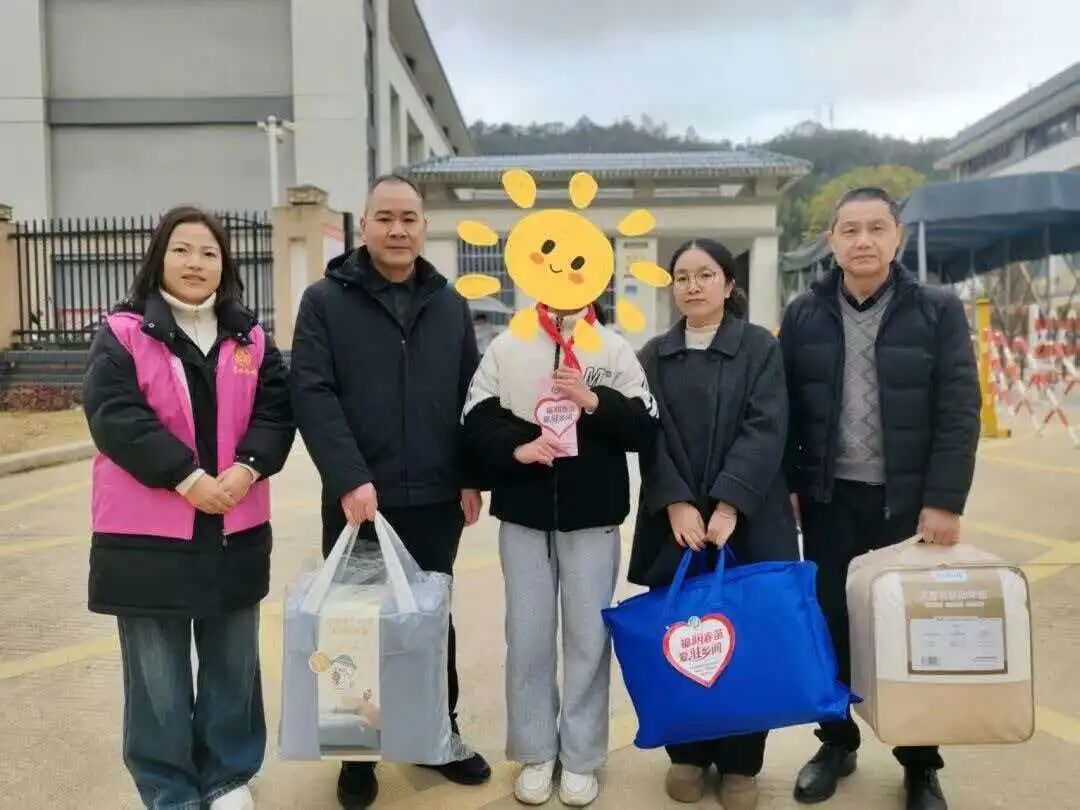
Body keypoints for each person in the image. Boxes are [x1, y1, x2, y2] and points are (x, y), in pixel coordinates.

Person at [82, 206, 294, 810]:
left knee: (234, 660)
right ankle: (168, 786)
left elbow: (276, 412)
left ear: (225, 264)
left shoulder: (252, 338)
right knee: (157, 674)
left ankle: (228, 775)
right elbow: (115, 416)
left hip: (234, 526)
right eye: (181, 249)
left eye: (208, 252)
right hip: (146, 537)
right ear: (159, 258)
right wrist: (187, 477)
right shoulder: (123, 333)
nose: (195, 262)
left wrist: (248, 467)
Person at [290, 173, 490, 809]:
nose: (398, 229)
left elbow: (469, 392)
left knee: (429, 620)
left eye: (409, 218)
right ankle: (356, 753)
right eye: (385, 217)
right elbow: (311, 393)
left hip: (434, 497)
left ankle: (437, 734)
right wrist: (349, 477)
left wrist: (469, 474)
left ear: (424, 225)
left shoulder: (448, 303)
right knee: (353, 625)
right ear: (365, 224)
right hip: (359, 499)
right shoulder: (325, 301)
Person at [780, 187, 980, 810]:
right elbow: (785, 408)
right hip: (829, 500)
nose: (862, 241)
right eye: (849, 230)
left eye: (875, 228)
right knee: (831, 624)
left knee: (910, 632)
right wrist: (791, 484)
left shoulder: (937, 310)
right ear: (831, 241)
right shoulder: (804, 314)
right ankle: (835, 742)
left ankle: (919, 763)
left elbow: (959, 409)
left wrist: (945, 499)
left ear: (898, 236)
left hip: (908, 505)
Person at [461, 296, 658, 808]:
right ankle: (535, 752)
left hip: (593, 516)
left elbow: (645, 426)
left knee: (588, 638)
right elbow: (475, 415)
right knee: (527, 636)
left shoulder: (612, 348)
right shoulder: (509, 346)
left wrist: (594, 401)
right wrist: (516, 447)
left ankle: (581, 756)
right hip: (523, 515)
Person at [629, 239, 798, 810]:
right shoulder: (653, 355)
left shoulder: (759, 348)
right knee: (684, 637)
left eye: (705, 275)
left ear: (729, 284)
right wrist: (675, 502)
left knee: (746, 642)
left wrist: (728, 505)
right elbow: (649, 437)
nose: (693, 285)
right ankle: (687, 754)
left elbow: (766, 427)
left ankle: (741, 764)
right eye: (682, 276)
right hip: (676, 526)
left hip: (746, 521)